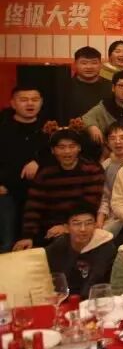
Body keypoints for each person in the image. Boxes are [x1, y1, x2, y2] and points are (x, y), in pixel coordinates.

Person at [16, 129, 105, 250]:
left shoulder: (92, 170)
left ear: (79, 148)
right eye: (61, 147)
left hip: (80, 225)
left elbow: (90, 204)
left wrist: (66, 227)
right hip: (49, 229)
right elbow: (34, 206)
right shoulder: (45, 173)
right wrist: (28, 236)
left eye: (72, 146)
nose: (67, 151)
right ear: (53, 150)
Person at [0, 85, 50, 250]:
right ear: (13, 103)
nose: (30, 103)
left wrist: (38, 161)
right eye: (24, 100)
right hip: (7, 193)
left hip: (40, 195)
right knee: (8, 242)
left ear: (41, 102)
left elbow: (59, 154)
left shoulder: (48, 128)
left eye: (35, 99)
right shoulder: (3, 127)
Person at [44, 202, 116, 299]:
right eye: (77, 224)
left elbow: (96, 280)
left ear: (95, 225)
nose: (83, 229)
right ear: (66, 228)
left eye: (88, 223)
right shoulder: (59, 245)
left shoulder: (105, 246)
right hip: (65, 299)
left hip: (96, 299)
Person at [81, 70, 123, 150]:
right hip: (110, 150)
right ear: (113, 88)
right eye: (121, 85)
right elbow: (86, 118)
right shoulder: (105, 106)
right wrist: (92, 127)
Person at [59, 46, 112, 123]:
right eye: (84, 63)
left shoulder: (110, 86)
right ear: (75, 65)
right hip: (73, 129)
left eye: (94, 63)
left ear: (100, 65)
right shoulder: (64, 87)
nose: (89, 67)